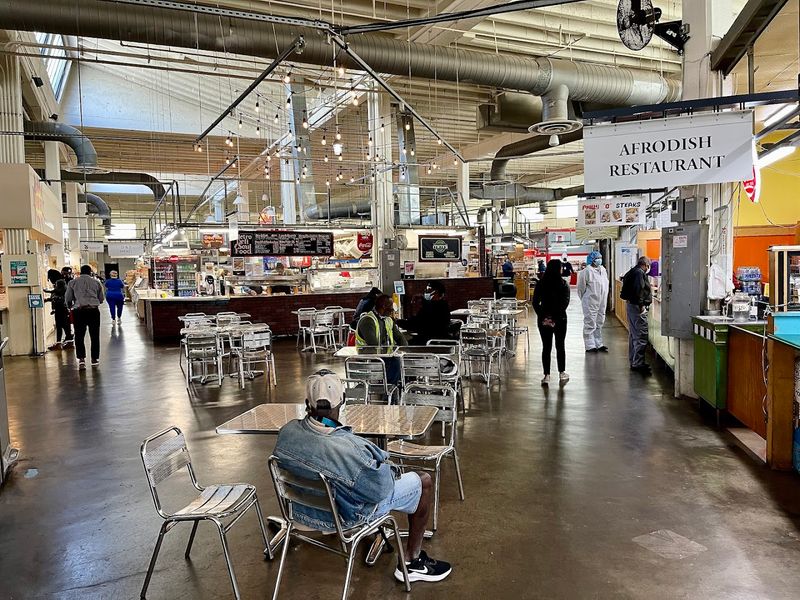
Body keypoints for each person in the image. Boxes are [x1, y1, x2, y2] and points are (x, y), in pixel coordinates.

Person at [273, 370, 452, 583]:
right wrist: (386, 467)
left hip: (299, 514)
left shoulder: (286, 432)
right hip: (343, 518)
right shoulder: (351, 449)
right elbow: (380, 490)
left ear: (306, 403)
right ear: (343, 401)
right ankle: (412, 562)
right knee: (423, 481)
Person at [532, 259, 571, 386]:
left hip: (544, 320)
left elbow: (535, 302)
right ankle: (562, 373)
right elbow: (565, 303)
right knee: (560, 345)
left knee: (546, 347)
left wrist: (544, 316)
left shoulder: (541, 283)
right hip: (560, 319)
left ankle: (546, 375)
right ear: (558, 269)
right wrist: (554, 317)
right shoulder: (563, 284)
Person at [356, 294, 407, 385]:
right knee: (396, 362)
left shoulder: (388, 320)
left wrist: (406, 352)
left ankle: (400, 386)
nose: (392, 310)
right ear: (384, 306)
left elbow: (400, 338)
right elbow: (374, 346)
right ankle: (389, 387)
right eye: (391, 307)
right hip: (369, 357)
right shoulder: (368, 320)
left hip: (385, 355)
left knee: (404, 361)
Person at [65, 265, 105, 369]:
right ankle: (94, 359)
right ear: (90, 272)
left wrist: (71, 306)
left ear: (80, 272)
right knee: (95, 335)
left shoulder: (72, 283)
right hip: (93, 311)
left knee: (79, 335)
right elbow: (101, 299)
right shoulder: (97, 282)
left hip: (79, 312)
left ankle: (81, 359)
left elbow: (68, 298)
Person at [621, 256, 653, 374]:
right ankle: (638, 363)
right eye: (648, 266)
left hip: (631, 305)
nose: (648, 268)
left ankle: (634, 361)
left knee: (634, 335)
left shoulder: (632, 271)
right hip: (636, 307)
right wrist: (641, 306)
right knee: (640, 335)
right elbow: (638, 290)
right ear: (645, 265)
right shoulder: (639, 273)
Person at [577, 251, 610, 353]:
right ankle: (590, 345)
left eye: (600, 258)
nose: (599, 260)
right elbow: (581, 288)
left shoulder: (603, 270)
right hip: (590, 301)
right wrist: (585, 299)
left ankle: (598, 343)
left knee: (600, 321)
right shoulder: (586, 271)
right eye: (597, 258)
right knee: (590, 322)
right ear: (592, 260)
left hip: (602, 300)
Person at [45, 278, 73, 350]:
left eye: (56, 285)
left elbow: (59, 299)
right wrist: (48, 299)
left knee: (60, 327)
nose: (55, 286)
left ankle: (59, 343)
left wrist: (52, 298)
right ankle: (69, 342)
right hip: (65, 311)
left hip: (60, 312)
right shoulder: (65, 291)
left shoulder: (61, 292)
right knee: (66, 327)